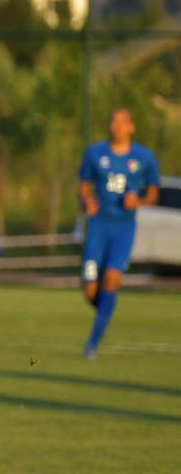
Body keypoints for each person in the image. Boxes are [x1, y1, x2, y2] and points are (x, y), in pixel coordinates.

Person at [78, 108, 160, 359]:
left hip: (124, 228)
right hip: (98, 227)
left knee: (112, 280)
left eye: (122, 122)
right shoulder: (95, 153)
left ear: (131, 127)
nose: (117, 126)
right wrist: (85, 202)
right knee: (91, 290)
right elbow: (83, 187)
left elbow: (153, 194)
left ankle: (92, 344)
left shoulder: (144, 157)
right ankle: (105, 312)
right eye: (113, 121)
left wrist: (139, 201)